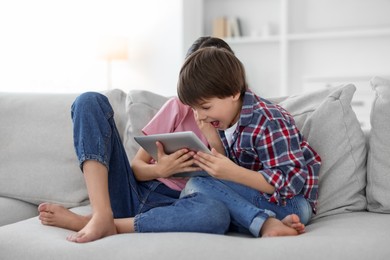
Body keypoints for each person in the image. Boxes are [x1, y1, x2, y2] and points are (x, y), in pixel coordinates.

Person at [38, 37, 304, 243]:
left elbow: (251, 184)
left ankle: (104, 223)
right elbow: (136, 168)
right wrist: (160, 169)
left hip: (188, 205)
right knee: (89, 101)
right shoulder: (179, 106)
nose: (197, 110)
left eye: (204, 100)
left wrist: (214, 142)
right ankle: (101, 214)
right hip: (138, 192)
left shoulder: (244, 117)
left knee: (214, 215)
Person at [177, 47, 321, 237]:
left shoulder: (268, 120)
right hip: (256, 201)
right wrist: (212, 138)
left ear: (235, 93)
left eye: (205, 107)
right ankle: (268, 222)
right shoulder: (225, 120)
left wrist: (233, 173)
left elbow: (288, 182)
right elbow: (231, 178)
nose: (199, 116)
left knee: (197, 187)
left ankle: (264, 223)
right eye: (194, 109)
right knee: (199, 198)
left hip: (291, 204)